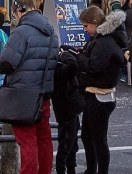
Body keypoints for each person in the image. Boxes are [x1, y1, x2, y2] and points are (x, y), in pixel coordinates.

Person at [0, 0, 59, 174]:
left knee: (27, 140)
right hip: (43, 94)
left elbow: (5, 63)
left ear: (19, 11)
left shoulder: (21, 32)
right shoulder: (50, 31)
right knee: (44, 138)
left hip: (23, 96)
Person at [77, 6, 127, 174]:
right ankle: (92, 169)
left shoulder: (104, 41)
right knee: (88, 136)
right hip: (96, 93)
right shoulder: (104, 38)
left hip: (99, 94)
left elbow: (94, 66)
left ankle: (99, 171)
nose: (85, 30)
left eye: (86, 26)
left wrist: (78, 57)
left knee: (97, 139)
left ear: (95, 23)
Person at [51, 42, 84, 174]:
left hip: (67, 110)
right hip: (68, 110)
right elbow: (73, 66)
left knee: (71, 143)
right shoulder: (60, 70)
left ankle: (70, 169)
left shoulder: (58, 69)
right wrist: (65, 54)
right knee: (66, 144)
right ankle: (64, 169)